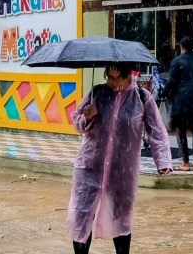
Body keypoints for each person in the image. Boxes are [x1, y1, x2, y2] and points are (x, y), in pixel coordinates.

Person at [67, 62, 172, 254]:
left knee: (121, 218)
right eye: (110, 78)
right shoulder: (97, 93)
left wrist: (163, 161)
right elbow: (76, 123)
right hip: (90, 166)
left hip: (122, 171)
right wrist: (87, 117)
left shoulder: (142, 98)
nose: (115, 83)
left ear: (129, 75)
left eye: (119, 78)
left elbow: (156, 131)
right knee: (81, 215)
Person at [162, 36, 193, 174]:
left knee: (181, 131)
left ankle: (185, 163)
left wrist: (163, 93)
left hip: (180, 101)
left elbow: (172, 81)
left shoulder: (177, 61)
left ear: (182, 47)